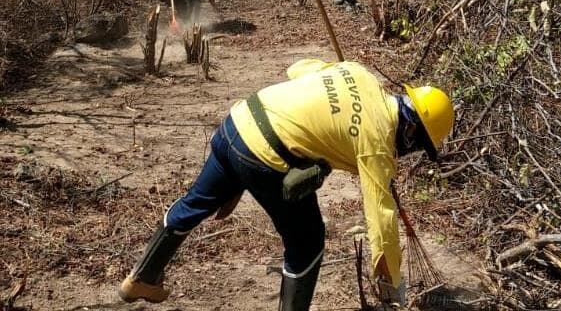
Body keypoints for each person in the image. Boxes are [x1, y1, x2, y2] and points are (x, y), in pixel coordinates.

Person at [117, 59, 455, 311]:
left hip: (237, 121)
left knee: (194, 203)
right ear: (410, 133)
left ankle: (141, 278)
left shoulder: (361, 73)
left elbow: (299, 68)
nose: (408, 154)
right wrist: (392, 282)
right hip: (263, 156)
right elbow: (381, 218)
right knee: (308, 243)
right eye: (416, 147)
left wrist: (338, 103)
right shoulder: (377, 139)